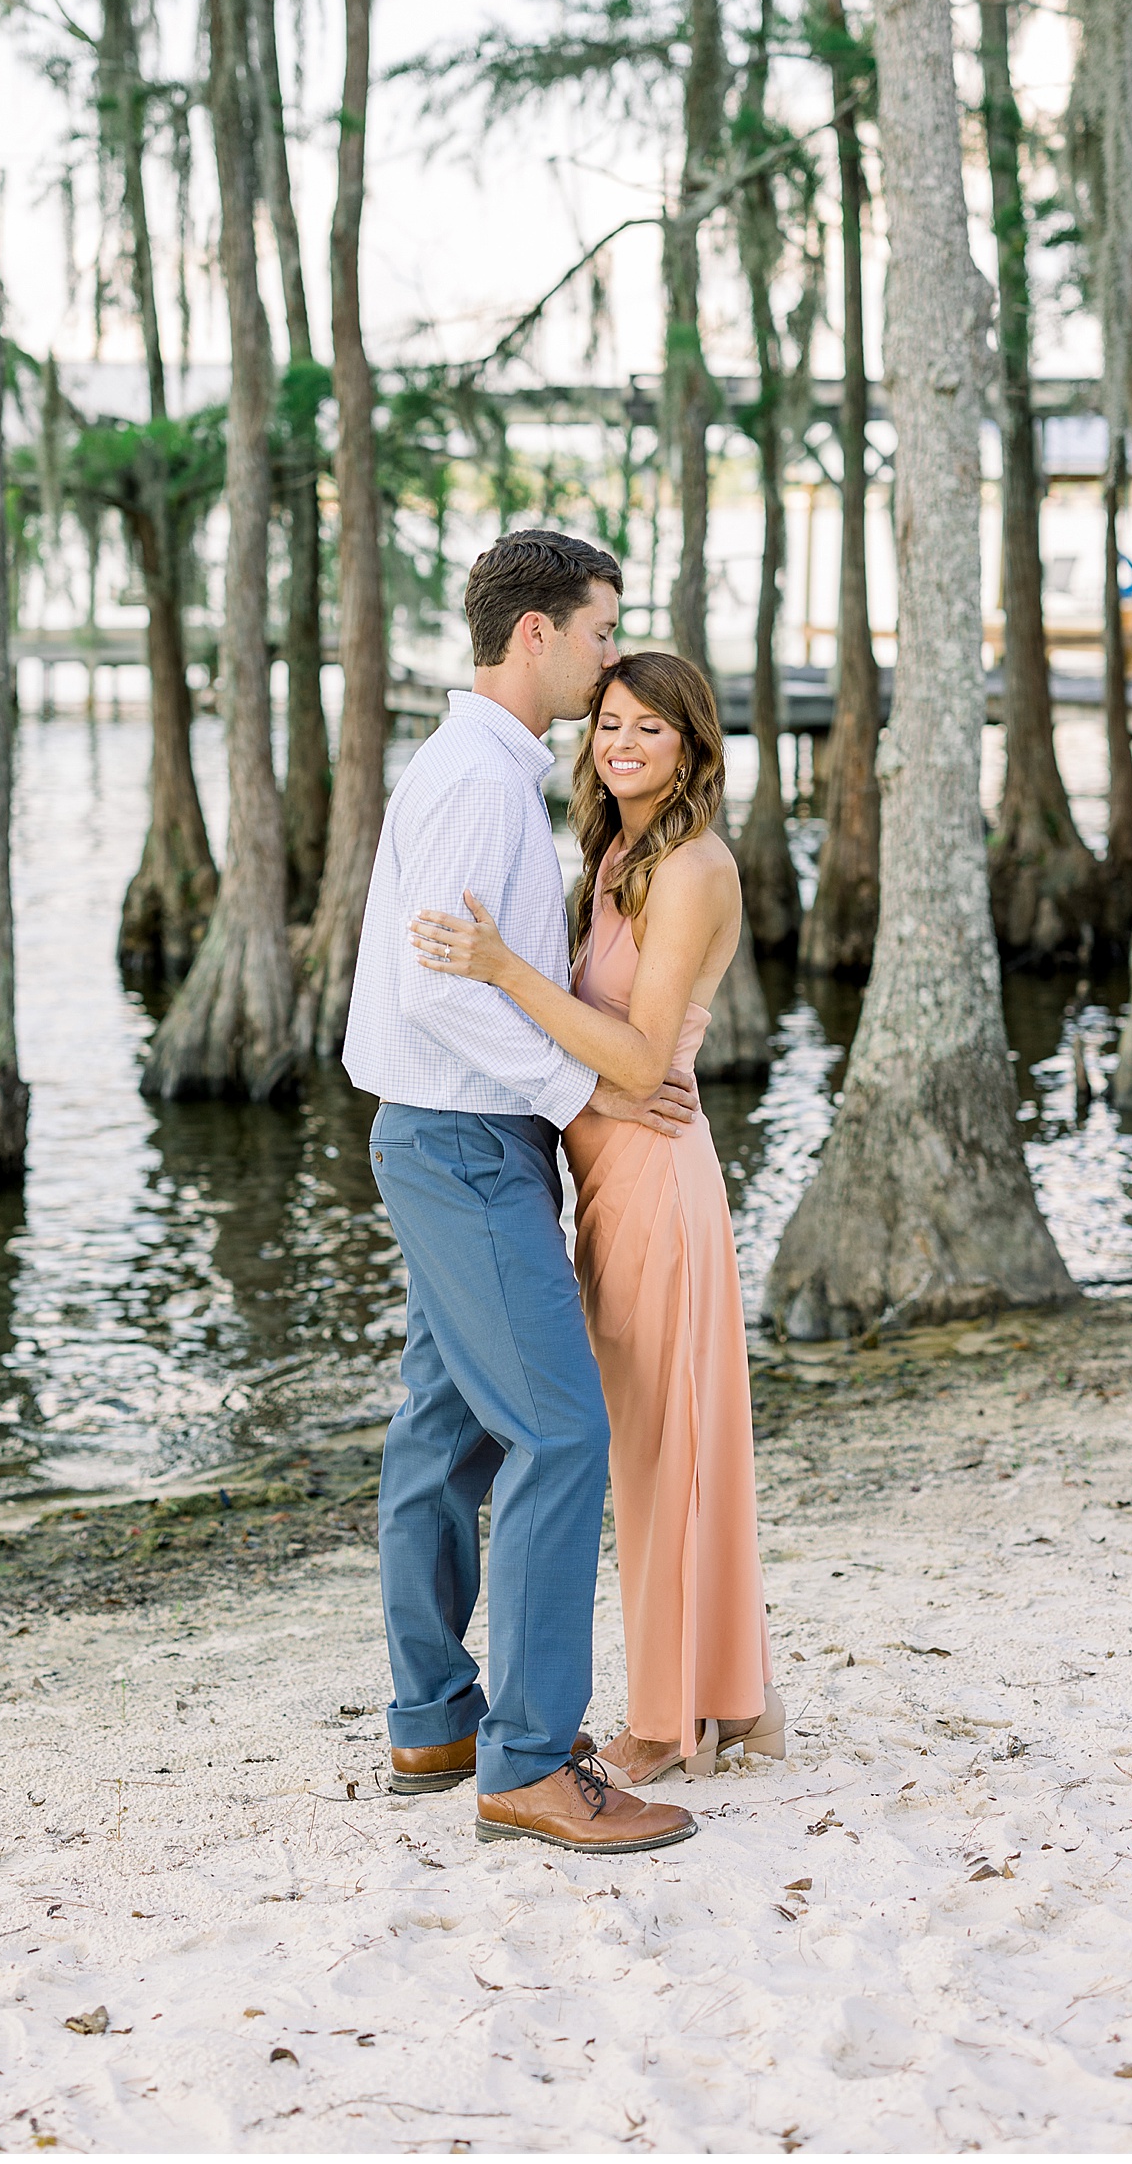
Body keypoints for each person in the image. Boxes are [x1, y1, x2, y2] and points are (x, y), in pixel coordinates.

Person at [344, 532, 701, 1856]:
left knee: (443, 1432)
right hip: (462, 1142)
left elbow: (458, 974)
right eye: (603, 630)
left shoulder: (483, 768)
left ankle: (436, 1715)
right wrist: (581, 1095)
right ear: (539, 633)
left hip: (452, 1139)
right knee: (561, 1432)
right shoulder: (479, 783)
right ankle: (531, 1761)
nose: (614, 654)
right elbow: (440, 988)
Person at [412, 651, 781, 1786]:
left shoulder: (692, 870)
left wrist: (500, 968)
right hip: (610, 1177)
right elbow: (613, 1042)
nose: (622, 743)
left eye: (650, 730)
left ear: (692, 747)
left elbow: (631, 1047)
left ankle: (670, 1723)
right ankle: (726, 1697)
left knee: (663, 1454)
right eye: (610, 722)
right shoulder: (622, 852)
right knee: (649, 1449)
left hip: (659, 1182)